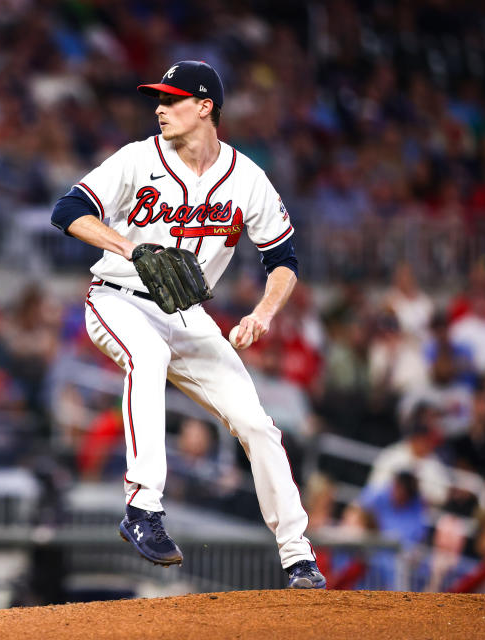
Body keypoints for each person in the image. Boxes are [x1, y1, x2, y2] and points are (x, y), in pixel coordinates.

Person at [50, 61, 324, 588]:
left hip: (188, 316)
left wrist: (262, 313)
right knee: (147, 357)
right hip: (119, 299)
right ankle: (143, 510)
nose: (159, 107)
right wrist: (129, 245)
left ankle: (298, 558)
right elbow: (67, 211)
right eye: (158, 98)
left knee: (257, 425)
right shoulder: (137, 158)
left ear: (205, 108)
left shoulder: (247, 179)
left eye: (172, 99)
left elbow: (284, 259)